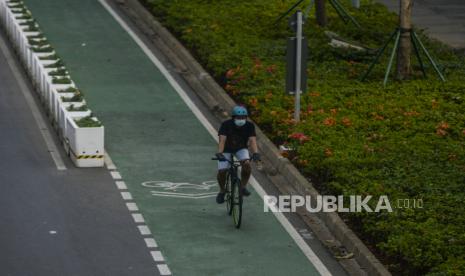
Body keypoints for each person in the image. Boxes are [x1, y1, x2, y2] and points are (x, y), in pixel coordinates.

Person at [215, 105, 260, 204]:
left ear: (246, 118)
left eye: (243, 117)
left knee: (247, 165)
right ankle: (222, 191)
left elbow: (252, 140)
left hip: (241, 148)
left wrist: (256, 152)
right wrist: (220, 153)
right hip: (226, 149)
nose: (241, 119)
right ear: (233, 117)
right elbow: (222, 140)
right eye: (238, 118)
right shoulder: (226, 124)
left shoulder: (249, 126)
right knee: (222, 171)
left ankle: (243, 187)